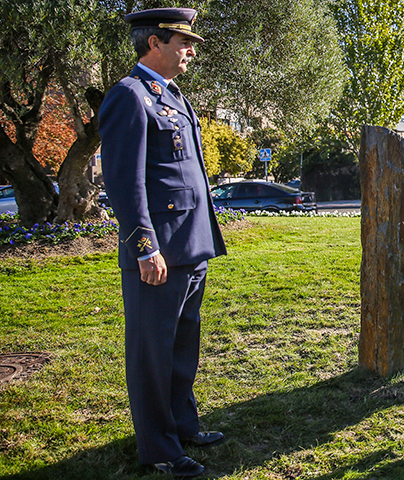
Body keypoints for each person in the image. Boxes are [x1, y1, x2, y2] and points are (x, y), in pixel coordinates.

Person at [99, 8, 227, 477]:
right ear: (155, 42)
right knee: (152, 353)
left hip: (190, 247)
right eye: (183, 41)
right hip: (158, 254)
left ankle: (182, 424)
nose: (191, 50)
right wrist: (143, 247)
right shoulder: (130, 96)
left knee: (180, 347)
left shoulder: (173, 96)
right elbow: (123, 182)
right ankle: (159, 448)